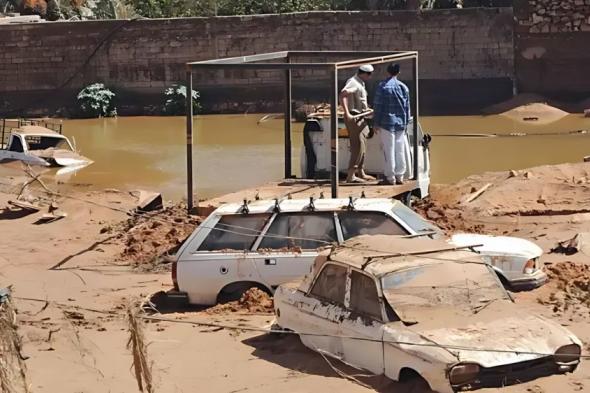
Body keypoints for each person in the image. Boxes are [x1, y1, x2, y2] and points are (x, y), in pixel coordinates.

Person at [373, 63, 411, 185]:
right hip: (400, 123)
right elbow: (407, 107)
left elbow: (378, 106)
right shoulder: (403, 87)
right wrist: (406, 123)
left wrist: (376, 122)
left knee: (388, 150)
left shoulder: (383, 87)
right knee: (399, 150)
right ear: (398, 72)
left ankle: (390, 177)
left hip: (386, 122)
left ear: (387, 72)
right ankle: (400, 175)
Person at [339, 64, 375, 183]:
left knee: (363, 145)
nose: (370, 77)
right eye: (369, 74)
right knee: (357, 146)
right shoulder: (353, 82)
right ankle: (351, 176)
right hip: (354, 118)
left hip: (361, 118)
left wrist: (368, 110)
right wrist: (347, 113)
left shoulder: (360, 82)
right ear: (364, 73)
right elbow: (343, 94)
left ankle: (361, 171)